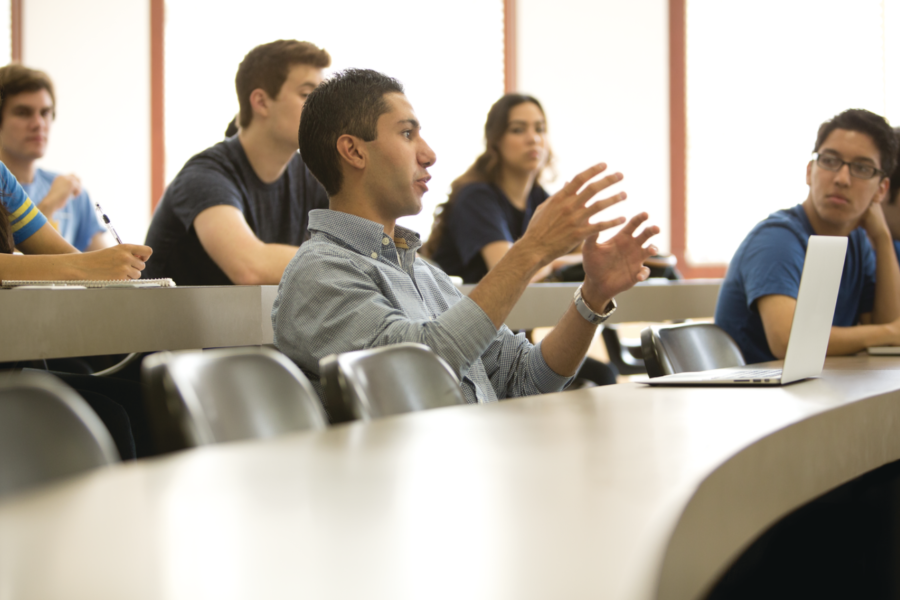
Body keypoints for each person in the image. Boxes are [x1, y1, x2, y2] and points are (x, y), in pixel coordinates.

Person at [272, 69, 659, 407]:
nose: (429, 154)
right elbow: (422, 368)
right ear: (353, 151)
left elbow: (525, 378)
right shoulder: (318, 273)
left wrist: (592, 297)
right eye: (407, 134)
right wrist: (532, 250)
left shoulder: (426, 276)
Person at [424, 93, 616, 386]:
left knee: (601, 373)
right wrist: (558, 260)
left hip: (515, 341)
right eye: (518, 129)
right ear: (495, 140)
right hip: (472, 351)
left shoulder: (540, 200)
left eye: (539, 129)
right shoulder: (475, 197)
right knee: (596, 375)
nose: (533, 138)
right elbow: (507, 265)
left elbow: (582, 252)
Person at [714, 109, 900, 364]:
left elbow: (887, 332)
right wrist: (887, 333)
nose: (842, 178)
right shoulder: (777, 239)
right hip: (756, 399)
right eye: (830, 161)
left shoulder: (857, 243)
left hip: (817, 395)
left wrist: (882, 238)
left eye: (861, 168)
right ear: (809, 171)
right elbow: (788, 341)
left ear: (881, 190)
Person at [144, 40, 331, 285]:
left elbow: (366, 241)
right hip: (170, 324)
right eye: (307, 95)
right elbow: (249, 267)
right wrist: (356, 262)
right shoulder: (204, 176)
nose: (324, 108)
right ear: (261, 102)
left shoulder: (311, 177)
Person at [0, 64, 111, 252]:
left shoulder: (72, 193)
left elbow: (104, 269)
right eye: (23, 112)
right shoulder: (57, 193)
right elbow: (8, 267)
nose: (39, 123)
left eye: (45, 112)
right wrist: (49, 204)